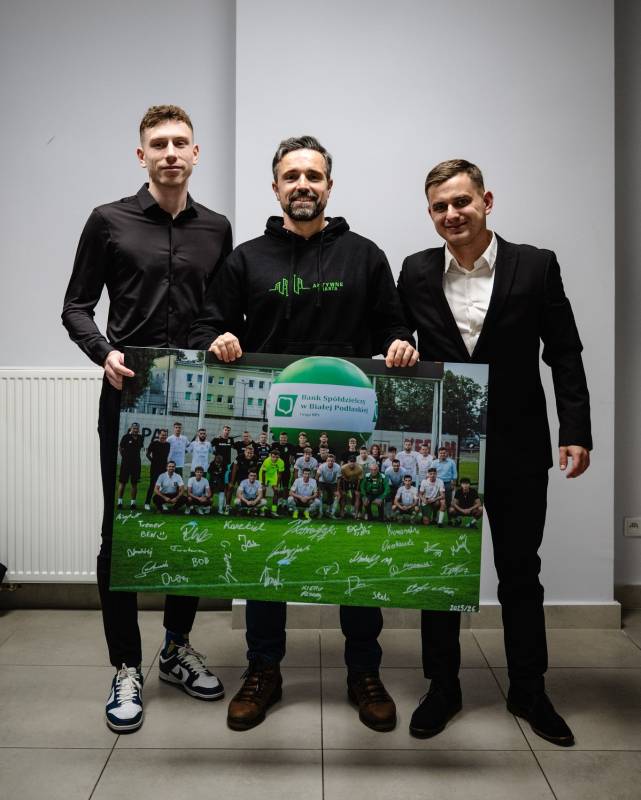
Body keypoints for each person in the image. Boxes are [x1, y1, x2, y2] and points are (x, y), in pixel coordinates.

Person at [189, 134, 417, 733]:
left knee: (351, 544)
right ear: (276, 188)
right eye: (292, 176)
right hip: (277, 432)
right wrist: (219, 338)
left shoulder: (364, 256)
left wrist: (400, 342)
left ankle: (364, 671)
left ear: (329, 186)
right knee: (270, 544)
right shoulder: (246, 260)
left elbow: (394, 325)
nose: (303, 185)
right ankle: (263, 669)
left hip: (348, 432)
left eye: (313, 176)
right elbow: (208, 325)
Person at [397, 158, 591, 746]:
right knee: (439, 573)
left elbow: (564, 352)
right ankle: (442, 687)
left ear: (486, 200)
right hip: (444, 448)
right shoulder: (415, 270)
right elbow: (396, 335)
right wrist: (397, 346)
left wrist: (576, 430)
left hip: (518, 445)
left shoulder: (536, 265)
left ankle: (529, 689)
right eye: (439, 207)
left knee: (520, 572)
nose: (451, 214)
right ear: (430, 214)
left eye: (461, 202)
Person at [61, 104, 230, 731]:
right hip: (129, 393)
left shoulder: (217, 228)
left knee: (187, 524)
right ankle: (126, 665)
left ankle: (176, 649)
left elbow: (221, 312)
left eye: (180, 142)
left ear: (195, 153)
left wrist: (224, 339)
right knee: (123, 530)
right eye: (158, 144)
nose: (170, 152)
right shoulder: (108, 221)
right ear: (142, 155)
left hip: (195, 398)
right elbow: (76, 306)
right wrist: (102, 352)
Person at [117, 422, 143, 509]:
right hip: (126, 463)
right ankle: (120, 502)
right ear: (131, 428)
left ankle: (133, 503)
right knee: (123, 482)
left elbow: (139, 447)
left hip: (136, 464)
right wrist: (124, 457)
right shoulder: (126, 437)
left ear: (138, 429)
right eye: (134, 428)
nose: (135, 430)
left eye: (137, 428)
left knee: (134, 483)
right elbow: (120, 448)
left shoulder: (140, 437)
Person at [144, 428, 170, 511]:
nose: (164, 436)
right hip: (154, 468)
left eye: (165, 435)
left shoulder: (168, 444)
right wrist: (153, 461)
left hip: (164, 468)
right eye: (162, 435)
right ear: (159, 435)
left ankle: (162, 503)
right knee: (152, 485)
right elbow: (147, 454)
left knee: (163, 486)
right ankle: (147, 503)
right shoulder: (154, 443)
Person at [258, 449, 285, 516]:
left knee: (276, 491)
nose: (274, 459)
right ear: (270, 455)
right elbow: (263, 473)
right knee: (263, 490)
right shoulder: (267, 461)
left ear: (279, 457)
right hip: (264, 475)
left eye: (276, 457)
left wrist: (276, 485)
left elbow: (279, 474)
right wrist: (263, 484)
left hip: (273, 475)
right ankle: (262, 509)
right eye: (273, 457)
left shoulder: (281, 462)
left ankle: (274, 510)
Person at [316, 453, 342, 517]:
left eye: (332, 461)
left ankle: (332, 513)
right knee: (320, 494)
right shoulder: (322, 466)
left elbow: (339, 479)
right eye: (329, 460)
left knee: (338, 495)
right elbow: (317, 477)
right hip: (322, 482)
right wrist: (317, 488)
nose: (330, 462)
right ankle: (320, 512)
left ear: (334, 461)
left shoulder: (338, 467)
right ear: (326, 461)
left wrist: (337, 490)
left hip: (333, 483)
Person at [339, 455, 364, 519]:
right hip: (345, 480)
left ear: (355, 462)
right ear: (348, 462)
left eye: (353, 462)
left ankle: (356, 513)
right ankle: (342, 511)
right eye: (351, 461)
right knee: (343, 495)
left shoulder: (360, 468)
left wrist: (357, 490)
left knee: (357, 495)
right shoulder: (343, 468)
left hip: (356, 481)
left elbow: (360, 480)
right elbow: (342, 478)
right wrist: (343, 490)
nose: (352, 463)